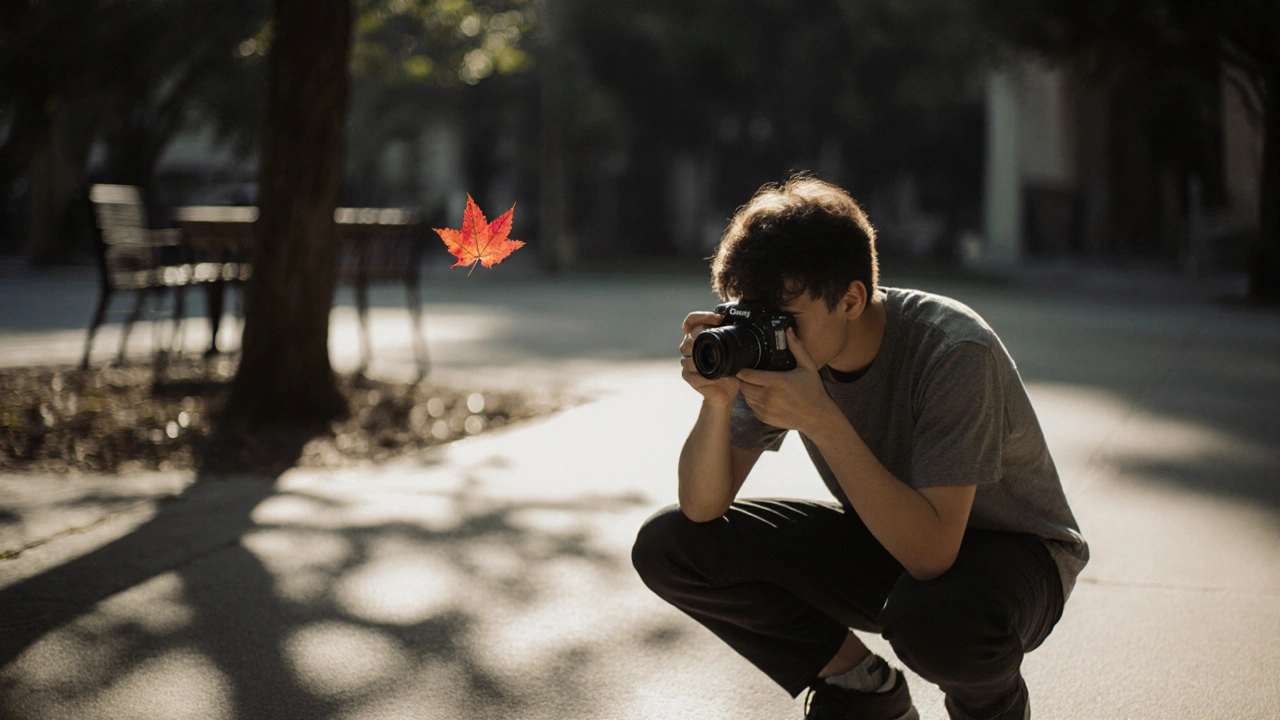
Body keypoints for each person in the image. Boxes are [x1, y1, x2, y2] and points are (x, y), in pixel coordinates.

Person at [631, 176, 1088, 720]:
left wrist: (822, 420)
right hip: (893, 533)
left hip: (1013, 556)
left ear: (850, 298)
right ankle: (860, 686)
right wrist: (717, 401)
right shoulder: (786, 348)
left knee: (934, 618)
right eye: (753, 314)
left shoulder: (953, 350)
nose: (770, 333)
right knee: (670, 545)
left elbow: (933, 553)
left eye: (783, 318)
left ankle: (992, 706)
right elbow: (702, 507)